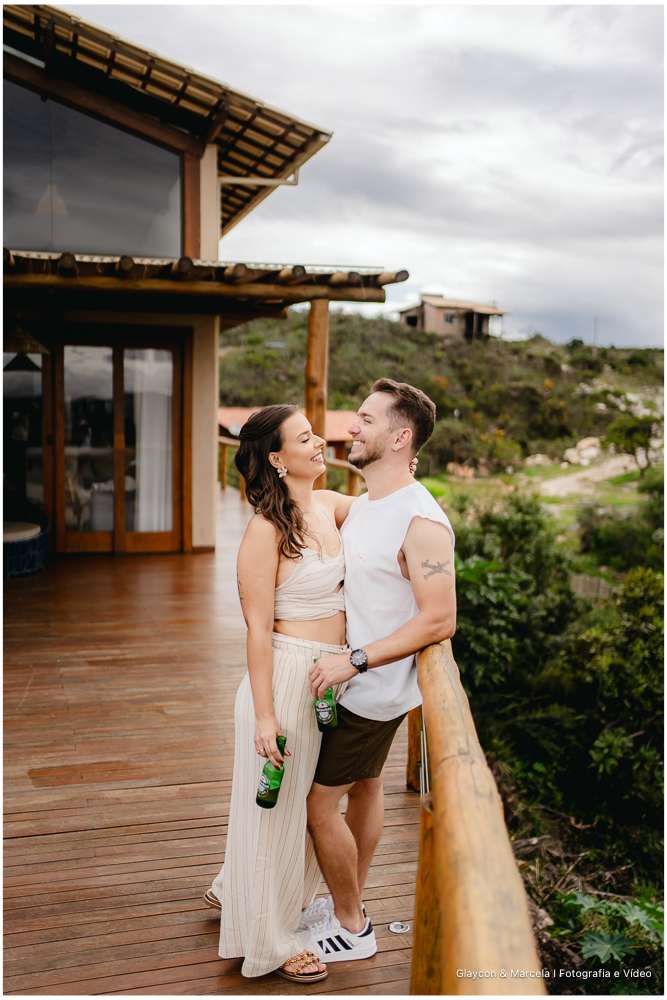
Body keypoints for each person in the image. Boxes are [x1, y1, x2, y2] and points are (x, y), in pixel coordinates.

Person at [203, 403, 362, 984]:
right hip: (286, 677)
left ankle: (234, 886)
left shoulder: (328, 505)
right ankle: (271, 939)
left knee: (295, 807)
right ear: (276, 458)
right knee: (277, 811)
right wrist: (265, 716)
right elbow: (256, 631)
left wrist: (395, 464)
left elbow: (386, 508)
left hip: (327, 679)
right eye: (306, 437)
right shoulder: (265, 530)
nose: (320, 442)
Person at [300, 378, 456, 958]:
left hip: (372, 691)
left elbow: (440, 618)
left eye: (366, 419)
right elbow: (320, 503)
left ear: (400, 437)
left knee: (319, 808)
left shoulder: (422, 521)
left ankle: (352, 926)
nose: (352, 426)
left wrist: (355, 660)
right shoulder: (368, 503)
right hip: (355, 685)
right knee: (366, 788)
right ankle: (353, 898)